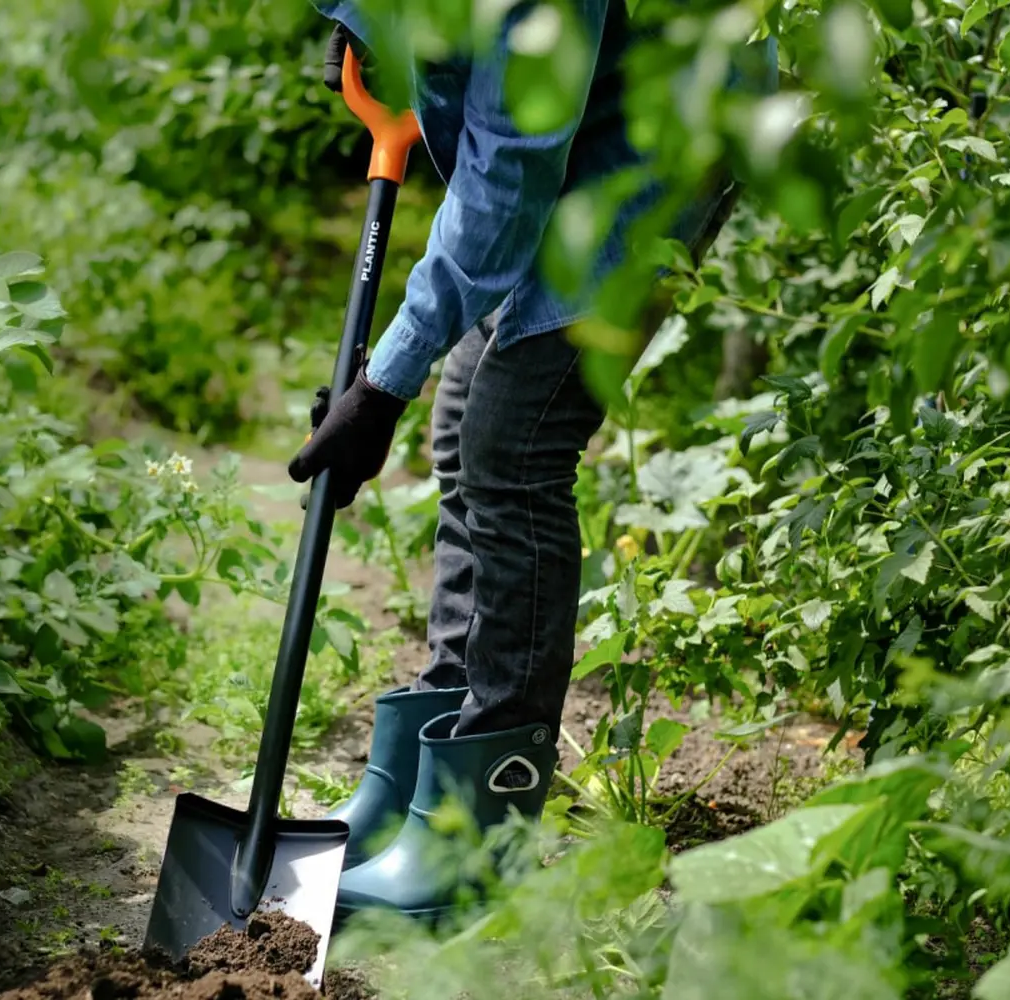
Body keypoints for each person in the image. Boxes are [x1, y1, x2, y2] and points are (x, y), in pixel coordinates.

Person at [288, 1, 776, 922]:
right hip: (592, 103)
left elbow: (510, 178)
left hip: (664, 131)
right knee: (465, 413)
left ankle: (484, 832)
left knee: (512, 442)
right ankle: (415, 783)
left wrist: (382, 384)